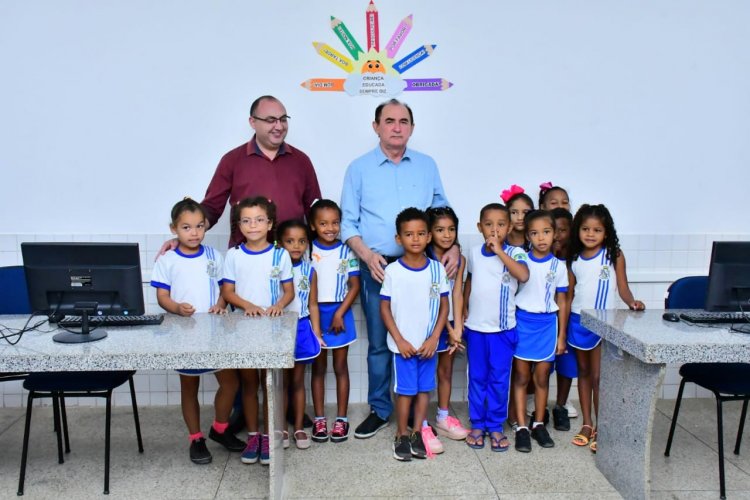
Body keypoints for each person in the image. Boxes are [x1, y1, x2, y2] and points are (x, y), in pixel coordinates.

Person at [340, 99, 458, 439]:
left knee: (423, 339)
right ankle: (381, 409)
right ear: (375, 126)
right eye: (389, 121)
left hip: (422, 268)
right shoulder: (358, 168)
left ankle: (419, 416)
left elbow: (442, 211)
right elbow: (348, 222)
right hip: (378, 267)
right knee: (380, 341)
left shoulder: (426, 165)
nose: (396, 127)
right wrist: (365, 254)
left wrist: (454, 246)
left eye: (403, 121)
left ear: (412, 127)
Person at [150, 198, 244, 464]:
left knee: (230, 382)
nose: (194, 233)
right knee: (189, 387)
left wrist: (221, 304)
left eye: (199, 226)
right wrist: (177, 308)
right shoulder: (167, 260)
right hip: (185, 334)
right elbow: (162, 296)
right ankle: (196, 438)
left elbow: (226, 289)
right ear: (174, 229)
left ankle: (220, 428)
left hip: (216, 333)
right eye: (187, 227)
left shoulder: (215, 256)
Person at [221, 197, 295, 465]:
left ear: (270, 223)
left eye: (259, 220)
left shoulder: (280, 255)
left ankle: (269, 435)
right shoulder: (233, 255)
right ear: (239, 225)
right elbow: (227, 291)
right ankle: (253, 436)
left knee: (270, 384)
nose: (253, 225)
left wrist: (278, 305)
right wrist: (248, 305)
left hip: (272, 330)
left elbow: (289, 291)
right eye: (246, 220)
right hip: (243, 328)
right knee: (249, 385)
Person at [567, 204, 645, 453]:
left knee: (600, 377)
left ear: (606, 232)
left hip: (605, 324)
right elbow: (569, 294)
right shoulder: (574, 258)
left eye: (597, 230)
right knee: (584, 373)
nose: (590, 234)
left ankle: (604, 426)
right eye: (586, 229)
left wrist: (631, 301)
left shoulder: (614, 255)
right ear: (578, 230)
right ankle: (587, 424)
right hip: (578, 321)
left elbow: (622, 287)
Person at [380, 208, 449, 461]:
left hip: (428, 345)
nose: (416, 239)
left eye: (421, 233)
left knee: (424, 390)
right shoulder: (393, 271)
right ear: (399, 239)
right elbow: (384, 307)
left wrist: (434, 339)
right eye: (409, 234)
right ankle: (401, 433)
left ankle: (418, 432)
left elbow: (444, 306)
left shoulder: (437, 269)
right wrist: (399, 339)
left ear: (429, 236)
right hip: (404, 346)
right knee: (406, 391)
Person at [463, 203, 529, 451]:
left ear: (509, 227)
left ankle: (496, 426)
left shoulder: (516, 252)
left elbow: (522, 276)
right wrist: (463, 310)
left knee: (499, 380)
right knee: (477, 378)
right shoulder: (474, 252)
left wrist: (500, 251)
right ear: (479, 227)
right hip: (477, 329)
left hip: (503, 331)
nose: (494, 229)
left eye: (501, 224)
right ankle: (478, 424)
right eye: (488, 225)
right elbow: (470, 280)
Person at [511, 210, 569, 453]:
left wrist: (562, 336)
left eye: (546, 232)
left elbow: (563, 301)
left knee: (542, 376)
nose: (541, 238)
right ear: (528, 235)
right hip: (523, 323)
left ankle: (538, 423)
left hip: (547, 326)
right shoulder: (521, 259)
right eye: (534, 233)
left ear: (554, 234)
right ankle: (522, 427)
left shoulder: (559, 266)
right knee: (522, 376)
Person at [307, 199, 360, 443]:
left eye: (335, 222)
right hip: (314, 315)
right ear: (313, 225)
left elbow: (354, 285)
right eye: (323, 223)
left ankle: (341, 420)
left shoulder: (346, 250)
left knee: (340, 368)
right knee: (317, 369)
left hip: (340, 313)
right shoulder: (307, 250)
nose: (330, 228)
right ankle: (319, 419)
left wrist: (340, 312)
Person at [277, 219, 324, 449]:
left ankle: (297, 427)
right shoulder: (274, 268)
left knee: (297, 381)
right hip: (279, 328)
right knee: (282, 383)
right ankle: (282, 429)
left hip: (302, 327)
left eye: (302, 241)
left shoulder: (309, 271)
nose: (296, 246)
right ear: (279, 243)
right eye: (290, 241)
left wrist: (316, 332)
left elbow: (313, 304)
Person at [426, 207, 469, 441]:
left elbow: (457, 292)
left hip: (451, 321)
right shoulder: (423, 257)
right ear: (430, 232)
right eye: (440, 229)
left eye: (451, 229)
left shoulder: (458, 259)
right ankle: (420, 420)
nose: (447, 234)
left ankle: (443, 417)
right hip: (430, 323)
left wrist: (459, 326)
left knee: (446, 370)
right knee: (423, 372)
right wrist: (450, 330)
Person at [548, 206, 578, 431]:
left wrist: (564, 330)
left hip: (567, 322)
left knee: (566, 366)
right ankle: (535, 406)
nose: (557, 236)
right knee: (541, 367)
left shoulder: (574, 261)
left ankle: (560, 405)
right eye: (553, 230)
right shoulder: (540, 259)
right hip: (544, 324)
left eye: (563, 230)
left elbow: (567, 298)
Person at [501, 185, 534, 250]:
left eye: (525, 212)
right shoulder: (500, 239)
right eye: (514, 212)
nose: (520, 218)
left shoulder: (537, 240)